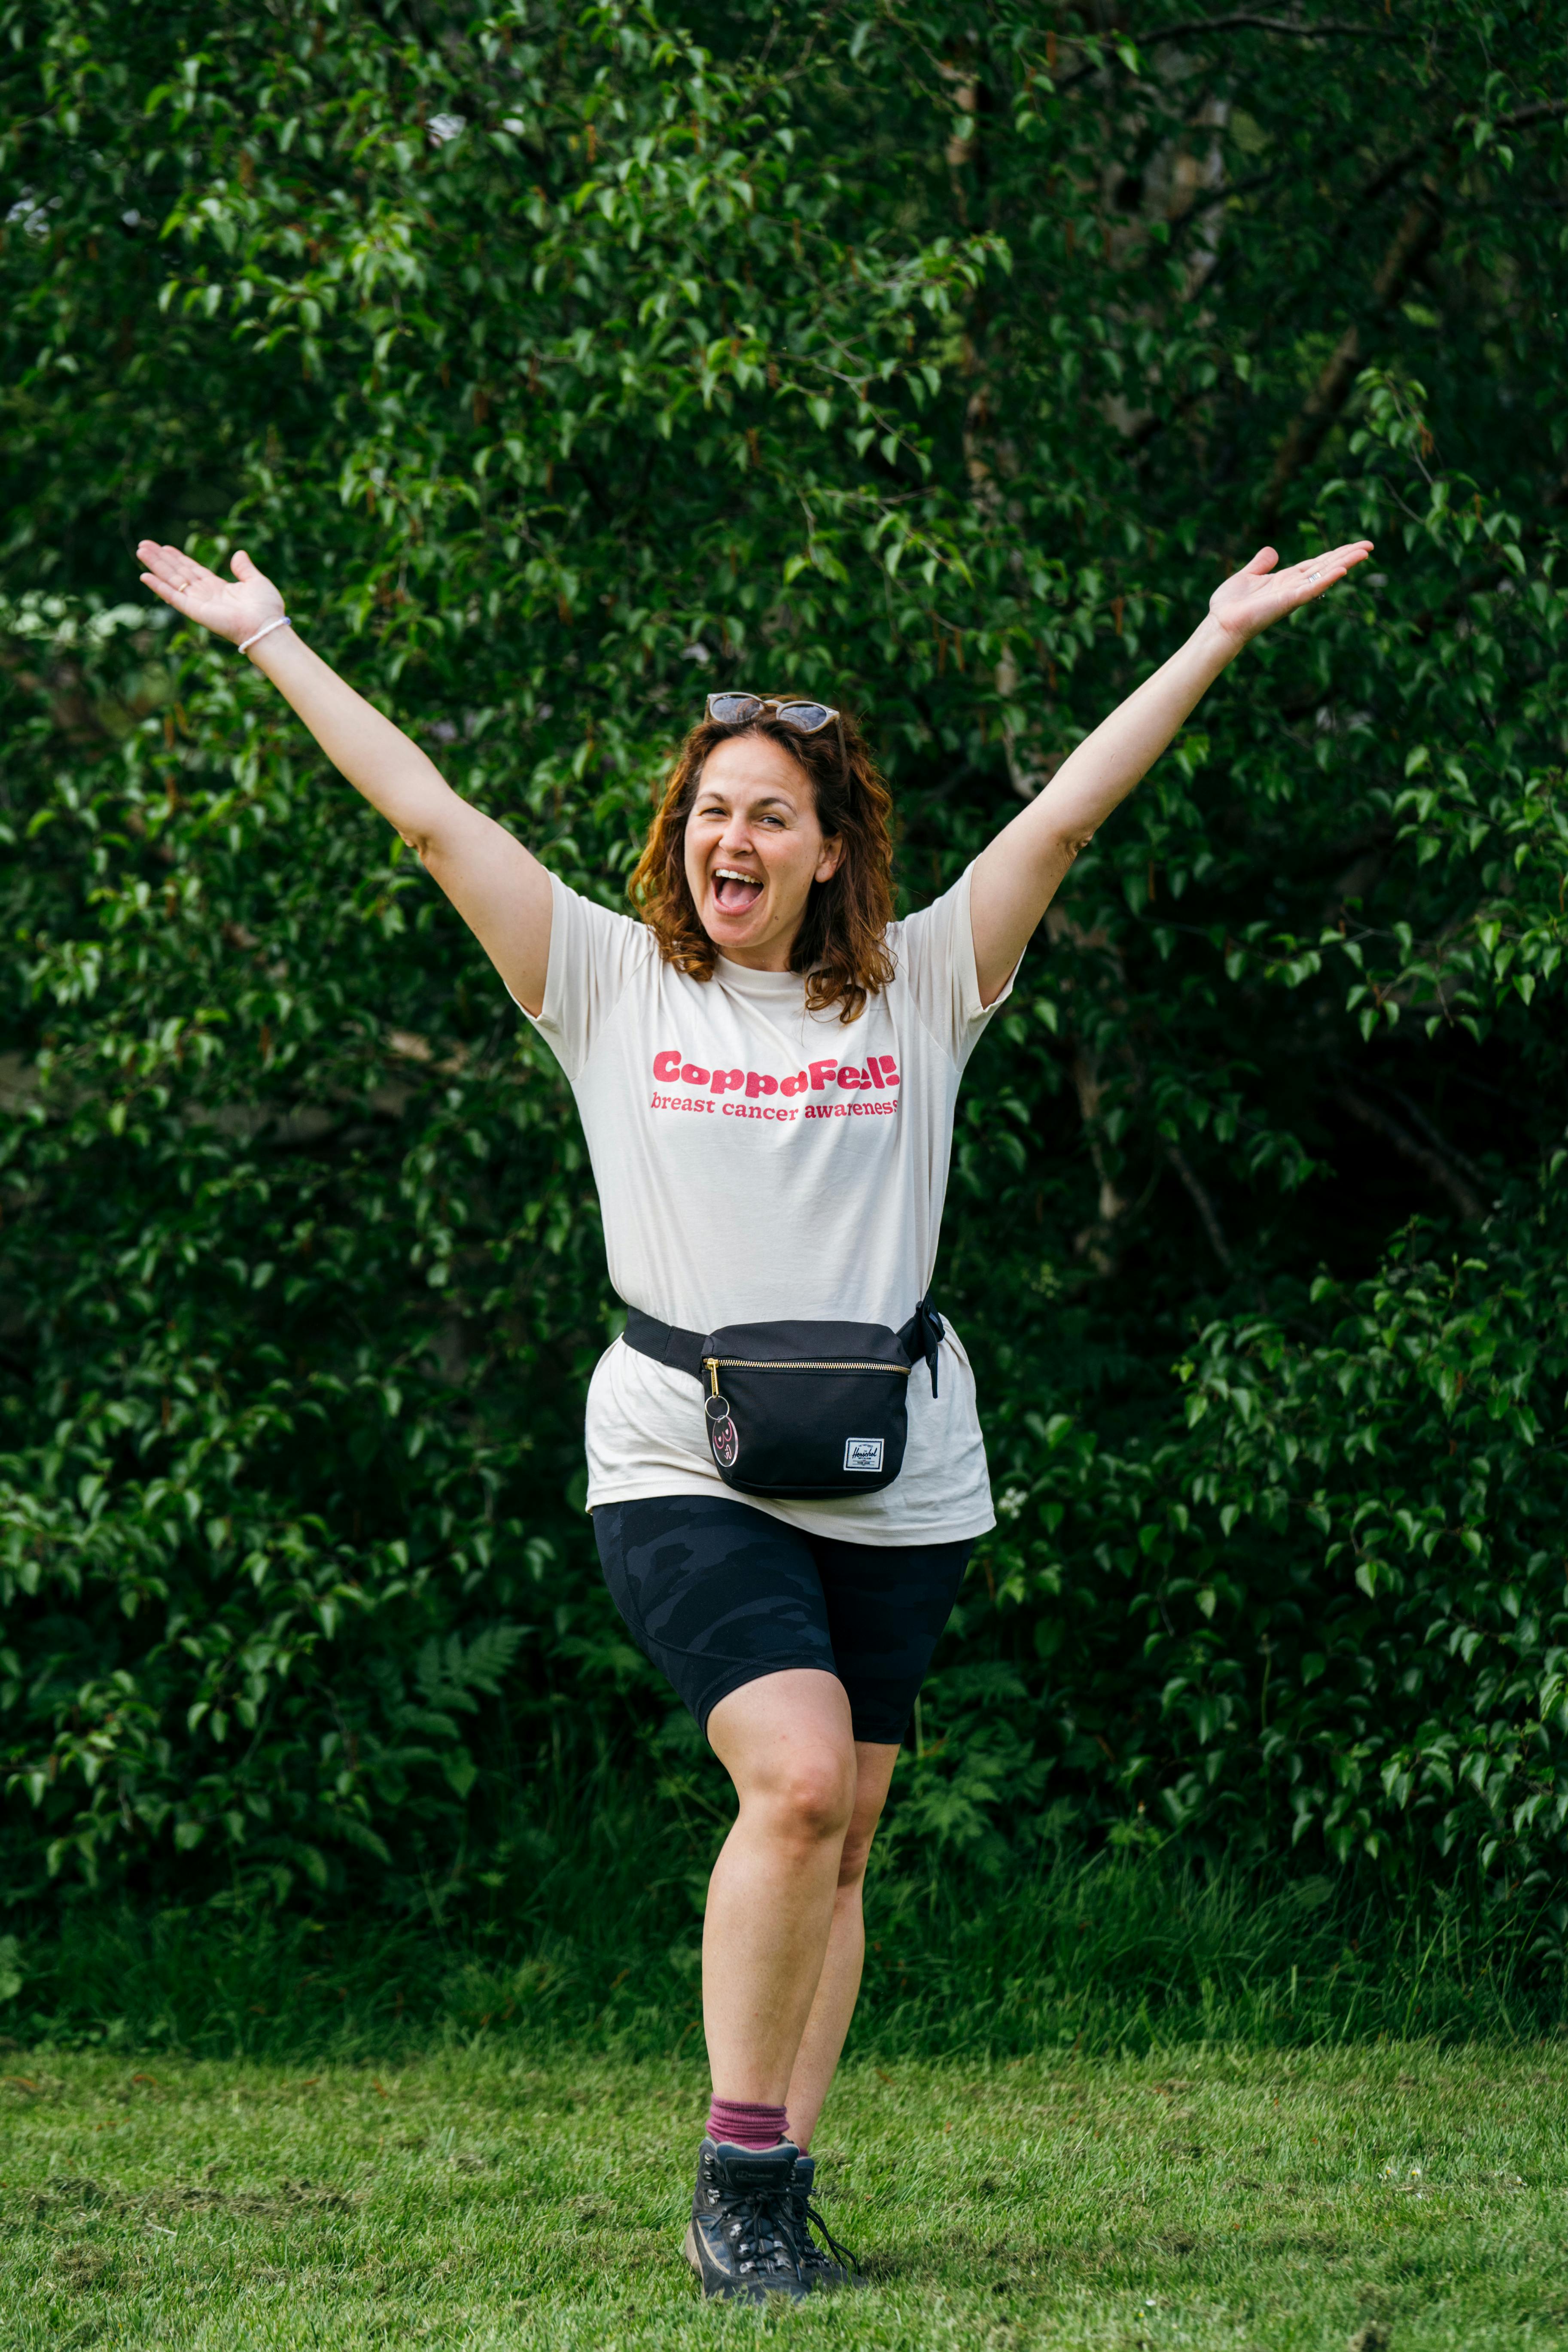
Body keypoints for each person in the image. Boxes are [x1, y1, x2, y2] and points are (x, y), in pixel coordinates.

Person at [134, 528, 1371, 2298]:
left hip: (899, 1468)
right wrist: (271, 638)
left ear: (830, 848)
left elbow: (1064, 822)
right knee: (791, 1784)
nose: (736, 837)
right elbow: (427, 814)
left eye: (774, 812)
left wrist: (1211, 635)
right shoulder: (605, 981)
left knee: (846, 1832)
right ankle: (731, 2179)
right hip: (676, 1453)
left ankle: (779, 2192)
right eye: (714, 807)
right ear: (680, 834)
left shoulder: (924, 986)